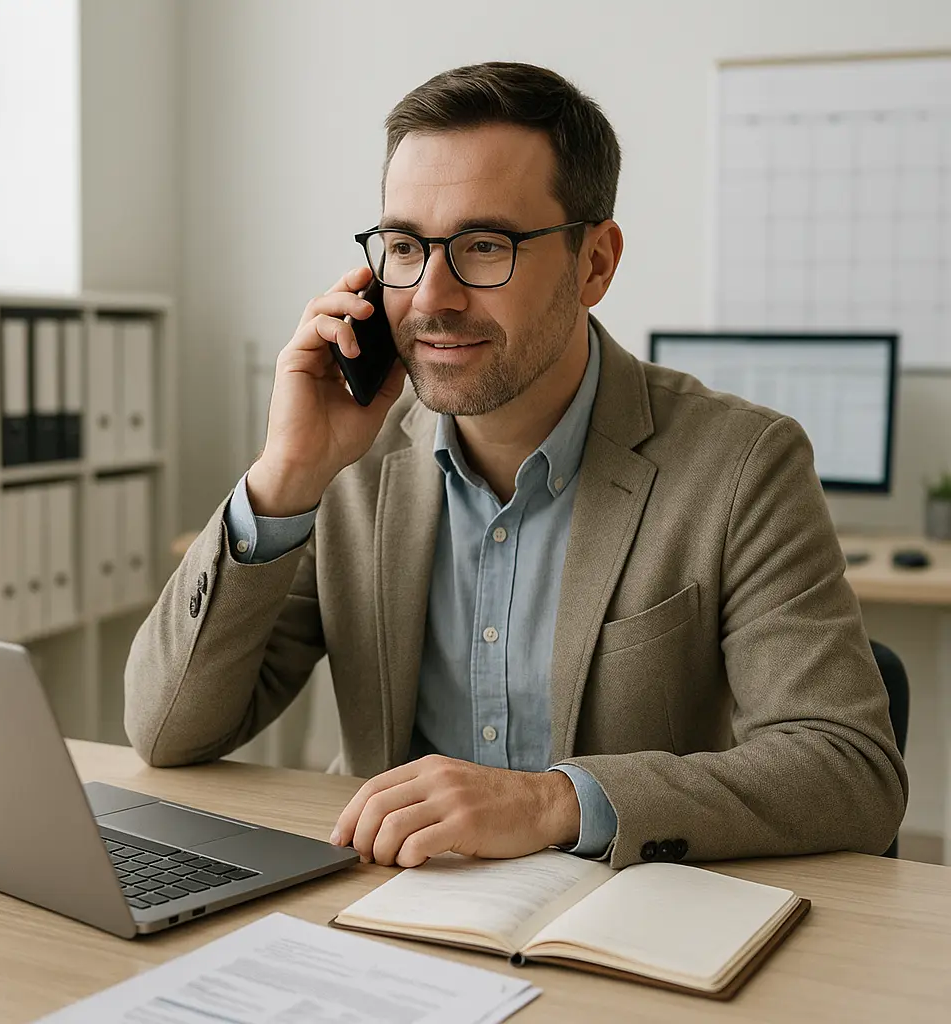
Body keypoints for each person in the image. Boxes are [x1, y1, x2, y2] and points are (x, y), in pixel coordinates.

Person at [125, 61, 907, 869]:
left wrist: (550, 801)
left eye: (485, 245)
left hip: (616, 927)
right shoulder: (351, 462)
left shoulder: (741, 465)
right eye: (404, 247)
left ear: (595, 264)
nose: (431, 296)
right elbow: (167, 730)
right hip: (383, 908)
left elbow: (849, 769)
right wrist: (286, 474)